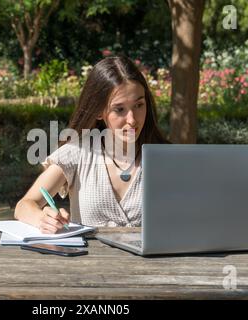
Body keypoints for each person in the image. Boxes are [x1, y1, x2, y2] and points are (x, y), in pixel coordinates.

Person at [14, 56, 169, 233]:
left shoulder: (166, 158)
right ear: (99, 112)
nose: (132, 119)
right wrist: (43, 219)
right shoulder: (76, 153)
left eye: (139, 105)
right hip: (89, 261)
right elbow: (24, 206)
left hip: (152, 261)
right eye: (119, 109)